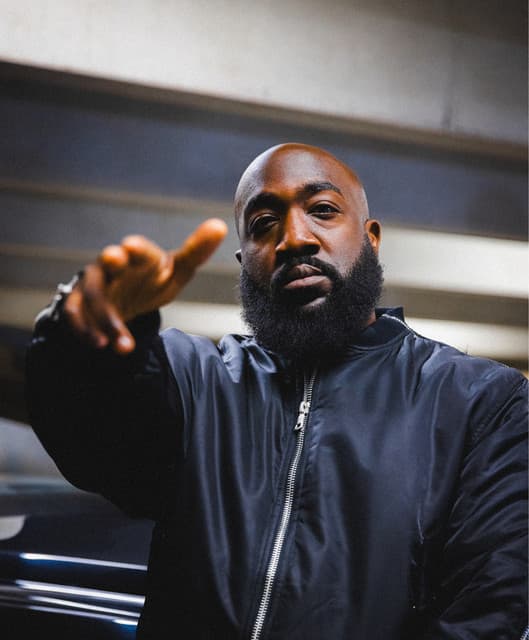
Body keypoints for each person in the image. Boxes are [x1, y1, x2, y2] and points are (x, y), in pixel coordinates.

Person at [25, 143, 527, 639]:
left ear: (371, 239)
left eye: (323, 210)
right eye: (264, 223)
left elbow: (487, 614)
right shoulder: (194, 379)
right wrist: (85, 338)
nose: (294, 238)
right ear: (244, 261)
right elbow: (95, 432)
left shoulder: (483, 402)